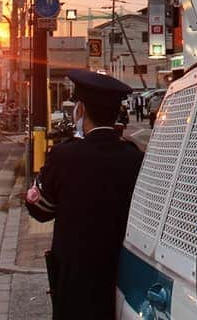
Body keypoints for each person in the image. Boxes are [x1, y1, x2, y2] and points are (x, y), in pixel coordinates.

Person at [25, 69, 143, 320]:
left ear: (81, 110)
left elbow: (40, 210)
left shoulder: (65, 156)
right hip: (123, 273)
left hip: (76, 276)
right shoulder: (135, 157)